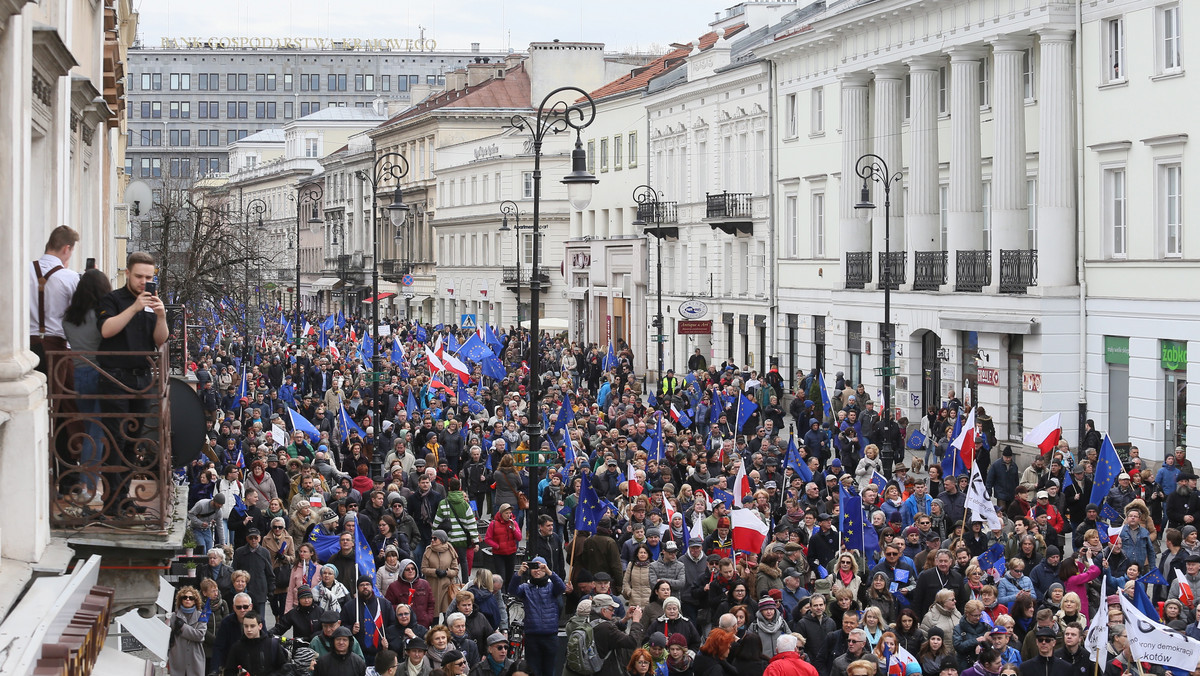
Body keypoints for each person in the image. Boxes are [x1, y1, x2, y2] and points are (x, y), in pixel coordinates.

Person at [95, 251, 169, 518]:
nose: (144, 282)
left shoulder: (153, 302)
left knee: (132, 441)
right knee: (114, 440)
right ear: (128, 273)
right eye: (139, 276)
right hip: (115, 377)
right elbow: (106, 330)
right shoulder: (112, 299)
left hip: (142, 378)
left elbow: (160, 340)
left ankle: (123, 497)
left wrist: (160, 316)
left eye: (149, 277)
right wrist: (135, 307)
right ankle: (110, 501)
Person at [61, 268, 111, 496]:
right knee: (96, 431)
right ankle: (89, 485)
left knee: (88, 428)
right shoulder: (101, 317)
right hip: (101, 374)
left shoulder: (69, 318)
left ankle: (85, 482)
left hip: (78, 375)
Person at [30, 225, 81, 376]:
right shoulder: (70, 277)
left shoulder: (23, 269)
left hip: (25, 344)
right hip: (56, 345)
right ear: (66, 249)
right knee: (55, 395)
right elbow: (78, 315)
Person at [507, 557, 564, 676]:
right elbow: (512, 590)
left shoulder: (551, 587)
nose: (537, 571)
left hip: (550, 636)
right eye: (534, 568)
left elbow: (562, 587)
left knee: (550, 670)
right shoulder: (525, 588)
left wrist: (549, 572)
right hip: (532, 636)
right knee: (533, 671)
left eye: (540, 568)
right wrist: (519, 573)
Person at [222, 611, 289, 676]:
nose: (249, 630)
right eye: (246, 626)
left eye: (252, 626)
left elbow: (284, 669)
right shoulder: (237, 647)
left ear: (260, 626)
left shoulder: (272, 644)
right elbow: (229, 671)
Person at [231, 528, 275, 618]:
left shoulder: (265, 552)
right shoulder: (240, 552)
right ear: (247, 539)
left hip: (260, 591)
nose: (253, 540)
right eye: (251, 538)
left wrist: (271, 589)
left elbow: (270, 573)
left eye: (256, 537)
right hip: (243, 591)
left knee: (259, 618)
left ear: (260, 538)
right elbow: (233, 571)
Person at [168, 586, 208, 676]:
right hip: (178, 656)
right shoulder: (173, 616)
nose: (187, 599)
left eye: (191, 598)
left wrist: (182, 627)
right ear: (180, 600)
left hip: (195, 658)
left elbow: (200, 635)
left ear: (195, 600)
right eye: (184, 597)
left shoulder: (201, 616)